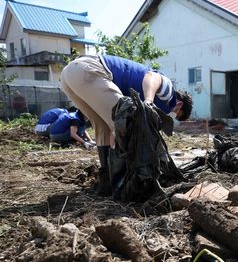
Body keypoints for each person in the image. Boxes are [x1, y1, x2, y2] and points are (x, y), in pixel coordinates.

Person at [61, 54, 192, 195]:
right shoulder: (169, 97)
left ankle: (107, 182)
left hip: (70, 75)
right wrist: (148, 100)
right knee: (128, 120)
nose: (170, 118)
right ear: (179, 106)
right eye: (176, 116)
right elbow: (152, 76)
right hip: (89, 70)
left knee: (104, 126)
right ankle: (119, 186)